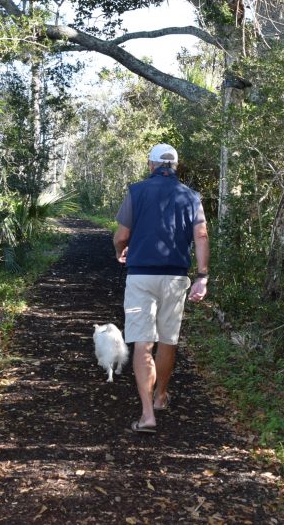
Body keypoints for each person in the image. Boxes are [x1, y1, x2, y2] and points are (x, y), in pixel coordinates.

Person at [113, 143, 209, 433]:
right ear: (175, 166)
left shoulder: (136, 191)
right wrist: (202, 275)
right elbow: (201, 236)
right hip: (176, 278)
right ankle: (161, 397)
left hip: (141, 276)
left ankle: (147, 416)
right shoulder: (191, 197)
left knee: (143, 342)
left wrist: (121, 250)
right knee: (168, 340)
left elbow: (122, 234)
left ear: (151, 164)